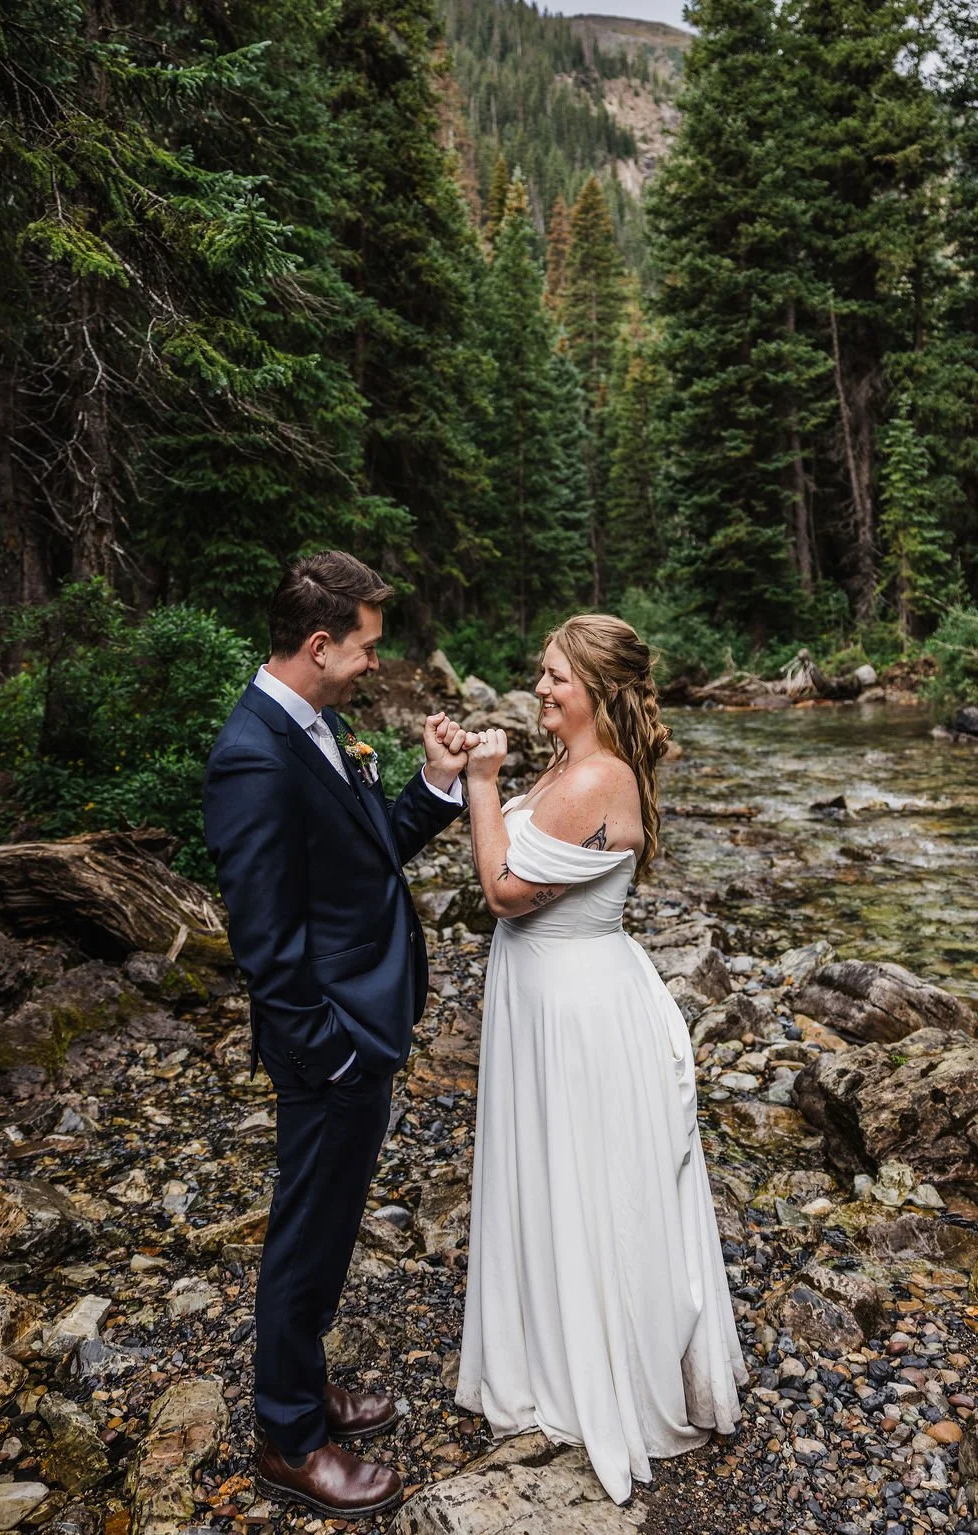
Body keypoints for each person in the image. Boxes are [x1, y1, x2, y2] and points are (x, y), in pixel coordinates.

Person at [203, 551, 475, 1518]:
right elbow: (266, 944)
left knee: (327, 1229)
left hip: (360, 1028)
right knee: (305, 1233)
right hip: (331, 1044)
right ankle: (288, 1435)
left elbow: (366, 859)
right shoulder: (253, 755)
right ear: (319, 645)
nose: (375, 663)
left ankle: (305, 1383)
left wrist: (436, 786)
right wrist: (334, 1048)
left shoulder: (319, 726)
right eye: (365, 647)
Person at [455, 612, 747, 1504]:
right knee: (553, 1174)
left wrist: (476, 783)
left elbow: (503, 892)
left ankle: (600, 1365)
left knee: (585, 1181)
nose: (540, 688)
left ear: (598, 689)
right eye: (541, 673)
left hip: (578, 1011)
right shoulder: (568, 767)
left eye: (555, 677)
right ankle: (553, 1339)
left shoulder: (598, 777)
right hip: (552, 998)